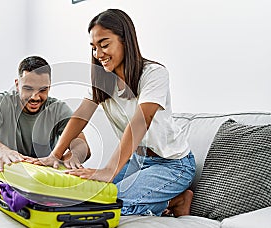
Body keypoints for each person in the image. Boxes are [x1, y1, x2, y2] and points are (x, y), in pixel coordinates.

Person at [36, 9, 195, 217]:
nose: (98, 54)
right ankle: (170, 200)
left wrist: (109, 170)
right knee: (87, 194)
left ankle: (177, 199)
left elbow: (141, 122)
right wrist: (54, 156)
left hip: (173, 165)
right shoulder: (103, 82)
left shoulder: (154, 74)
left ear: (125, 41)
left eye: (104, 44)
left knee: (109, 203)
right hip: (136, 162)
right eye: (94, 47)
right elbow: (79, 117)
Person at [0, 56, 90, 200]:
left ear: (49, 87)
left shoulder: (58, 109)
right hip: (2, 168)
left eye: (42, 90)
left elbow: (82, 145)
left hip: (41, 171)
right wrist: (1, 150)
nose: (35, 97)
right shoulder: (2, 102)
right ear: (17, 84)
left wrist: (68, 158)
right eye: (28, 89)